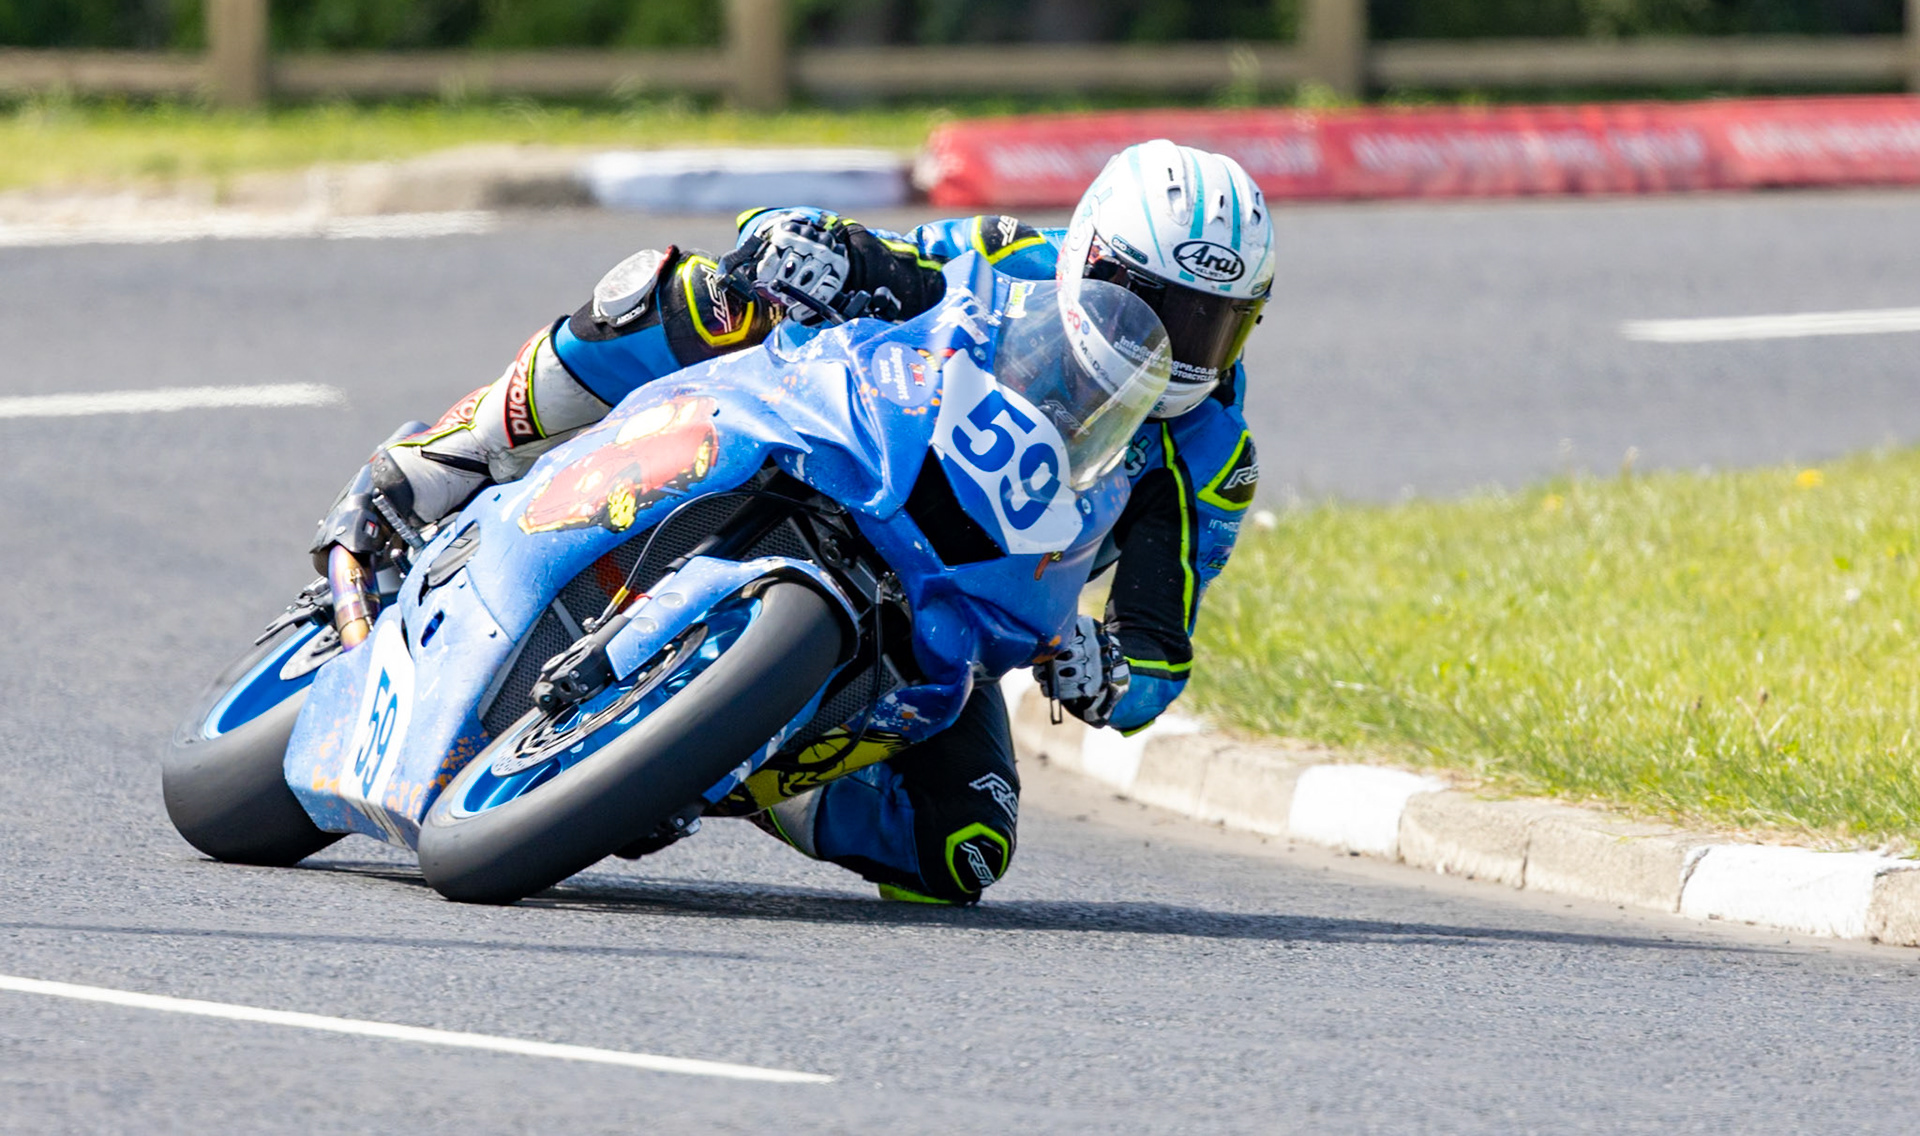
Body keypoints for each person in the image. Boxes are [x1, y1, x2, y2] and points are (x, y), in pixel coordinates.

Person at [313, 140, 1273, 904]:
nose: (1175, 348)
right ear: (1086, 258)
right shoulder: (1005, 256)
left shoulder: (1212, 459)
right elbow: (861, 251)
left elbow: (1157, 648)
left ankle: (720, 756)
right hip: (839, 438)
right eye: (1148, 305)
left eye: (1211, 324)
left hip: (946, 607)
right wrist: (804, 246)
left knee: (965, 850)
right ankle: (450, 460)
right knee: (686, 295)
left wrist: (1107, 672)